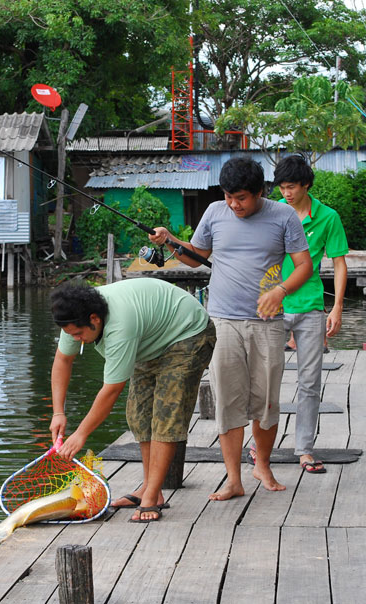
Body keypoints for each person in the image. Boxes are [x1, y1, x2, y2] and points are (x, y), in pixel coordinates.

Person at [149, 156, 312, 501]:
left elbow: (304, 267)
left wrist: (280, 291)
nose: (234, 204)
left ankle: (263, 464)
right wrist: (171, 240)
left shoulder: (283, 216)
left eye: (241, 198)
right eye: (228, 196)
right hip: (222, 321)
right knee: (228, 402)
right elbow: (196, 256)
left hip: (267, 323)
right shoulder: (214, 212)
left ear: (259, 193)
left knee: (266, 402)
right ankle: (233, 478)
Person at [49, 278, 216, 522]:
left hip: (188, 333)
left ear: (94, 319)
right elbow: (63, 361)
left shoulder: (120, 326)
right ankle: (151, 489)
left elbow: (112, 389)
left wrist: (81, 434)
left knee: (165, 415)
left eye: (78, 334)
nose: (75, 339)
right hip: (152, 338)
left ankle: (151, 498)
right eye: (70, 334)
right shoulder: (74, 319)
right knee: (139, 415)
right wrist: (58, 412)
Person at [273, 155, 348, 474]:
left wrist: (338, 306)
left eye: (291, 187)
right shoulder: (271, 212)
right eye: (282, 187)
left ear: (306, 185)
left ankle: (304, 448)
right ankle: (258, 444)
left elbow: (339, 263)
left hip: (312, 306)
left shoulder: (328, 217)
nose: (286, 193)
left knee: (310, 382)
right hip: (272, 306)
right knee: (265, 379)